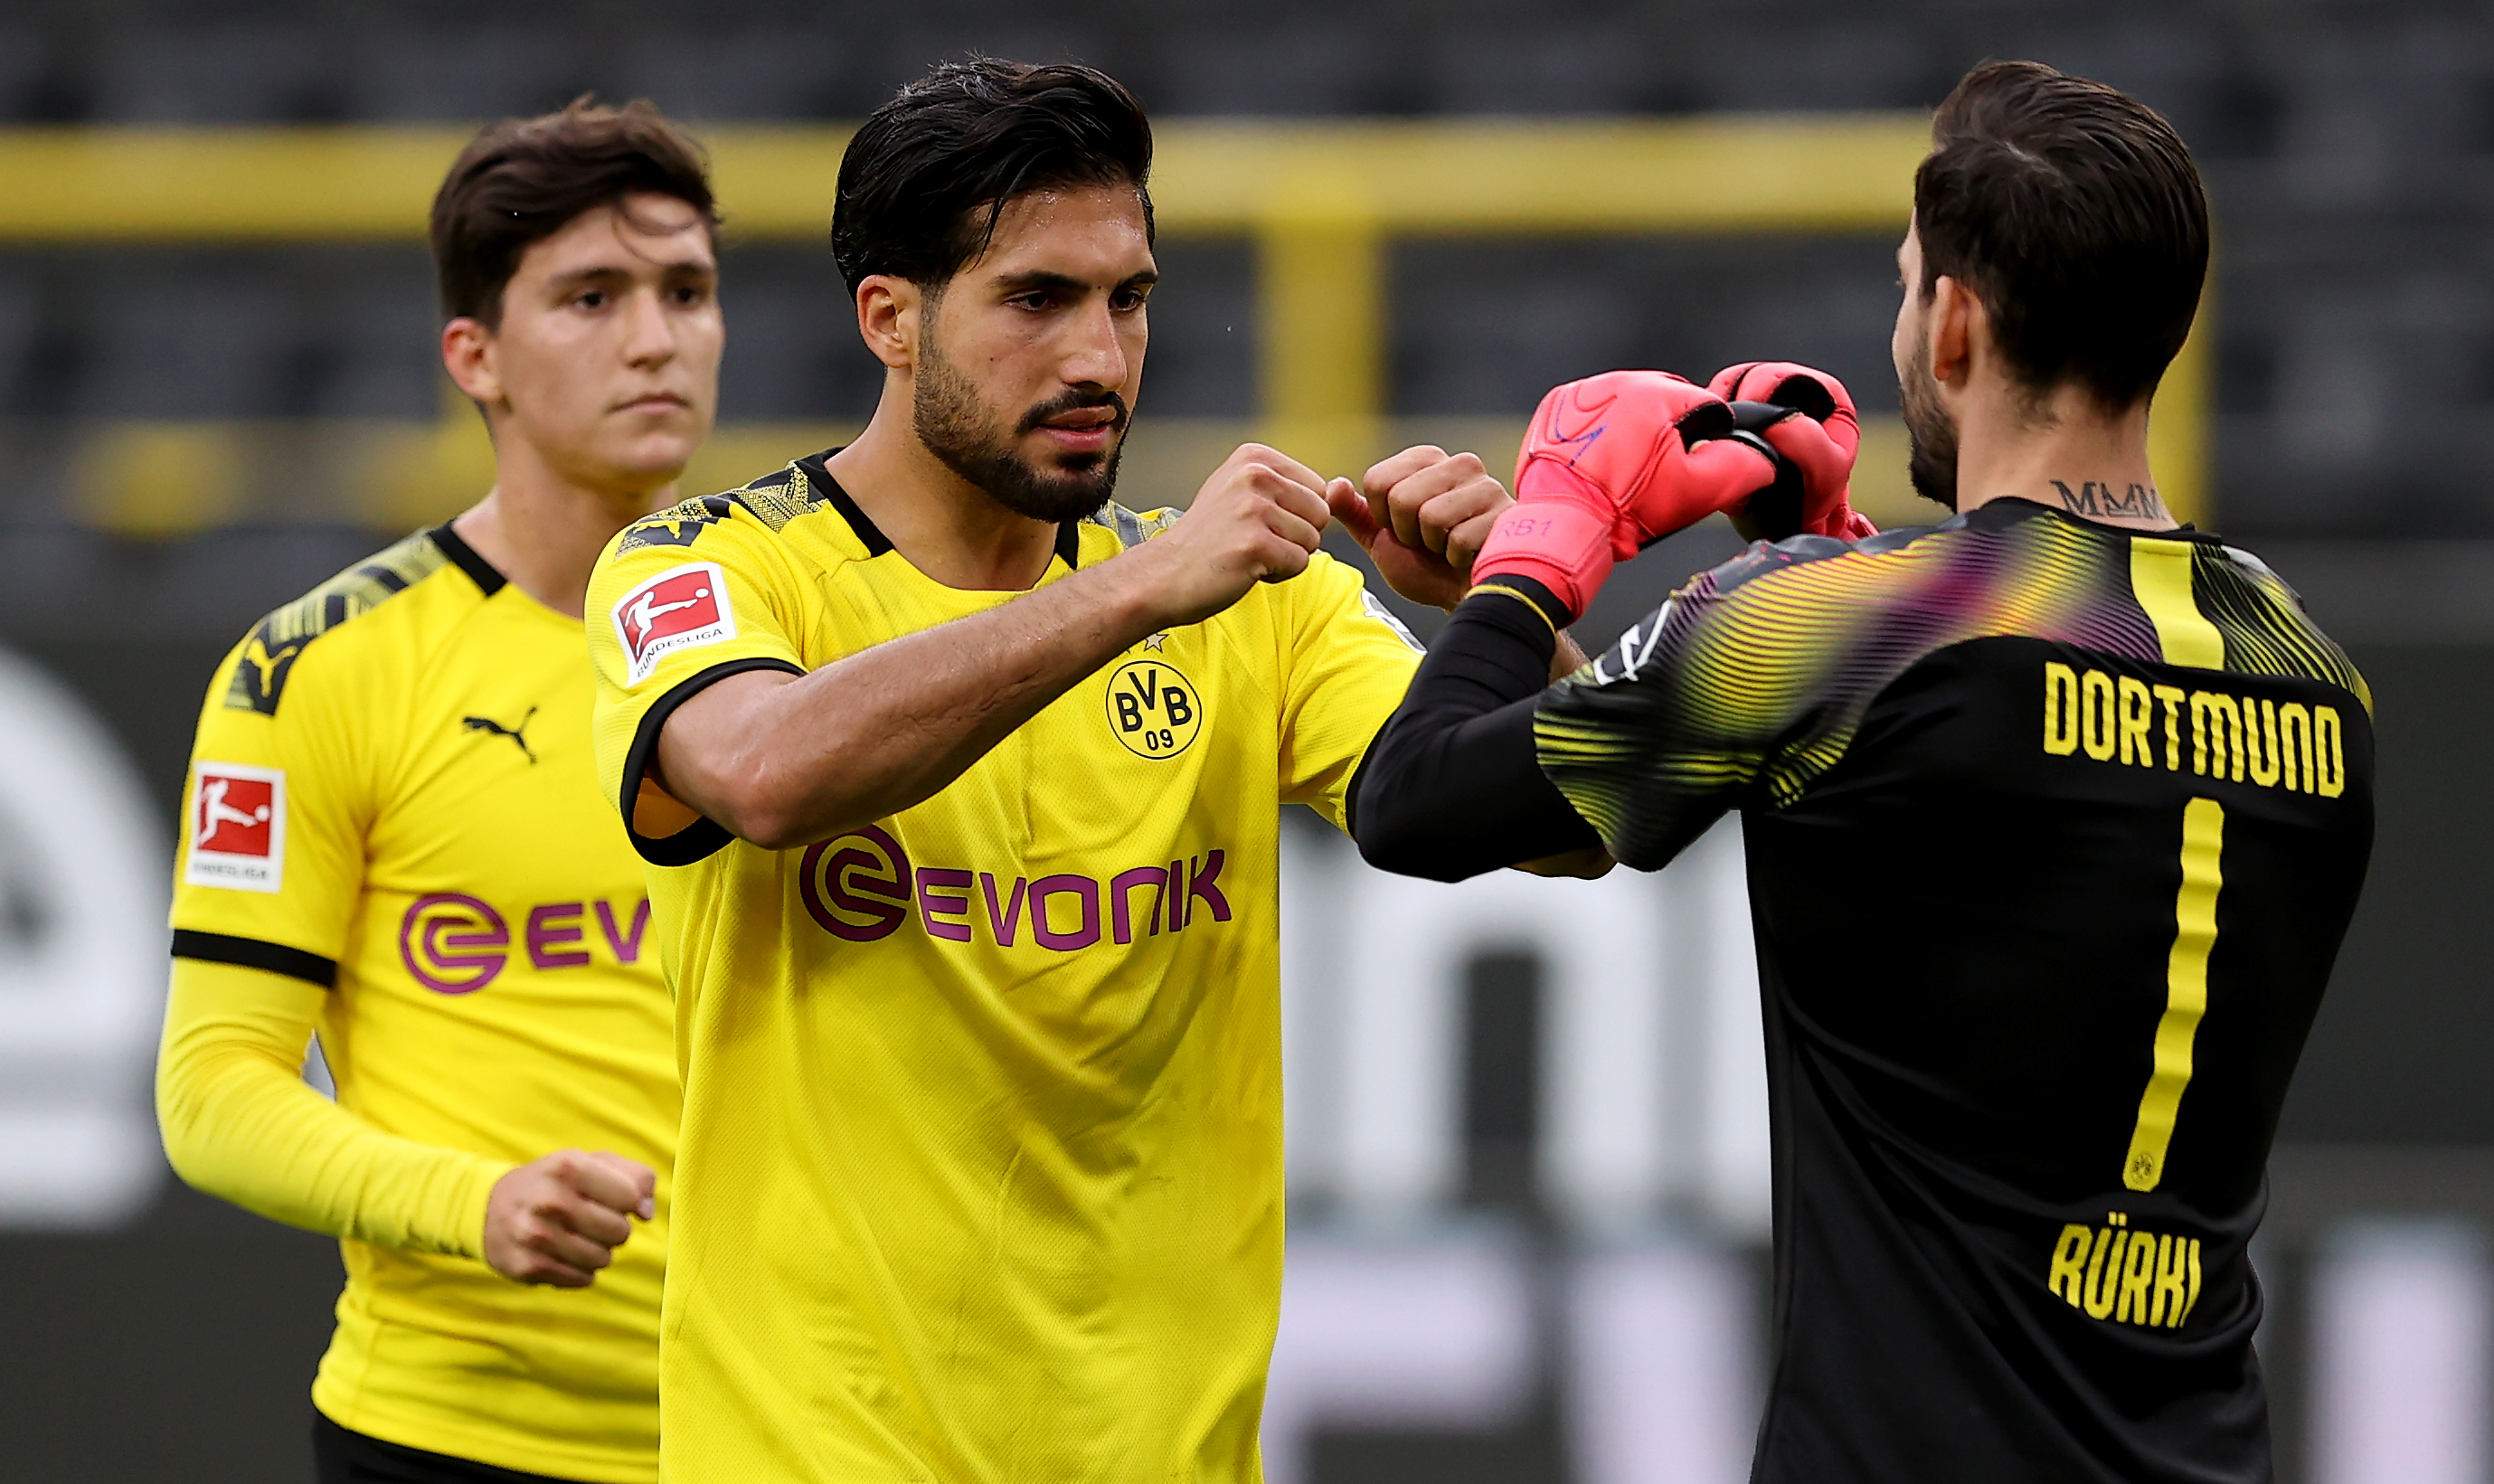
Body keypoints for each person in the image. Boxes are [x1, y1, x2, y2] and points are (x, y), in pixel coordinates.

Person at [1352, 61, 2374, 1482]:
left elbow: (1413, 803)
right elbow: (1968, 820)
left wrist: (1540, 545)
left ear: (1953, 319)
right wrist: (1818, 551)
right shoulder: (2308, 666)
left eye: (1907, 287)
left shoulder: (1839, 634)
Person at [582, 58, 1578, 1481]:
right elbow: (760, 769)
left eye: (1130, 299)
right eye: (1036, 299)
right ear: (891, 320)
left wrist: (1510, 610)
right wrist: (1132, 592)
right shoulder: (705, 566)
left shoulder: (1258, 604)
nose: (1100, 359)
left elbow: (1569, 826)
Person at [157, 99, 722, 1484]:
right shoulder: (316, 671)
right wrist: (474, 1203)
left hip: (781, 1425)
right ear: (474, 356)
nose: (655, 337)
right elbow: (213, 1087)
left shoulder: (819, 636)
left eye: (687, 291)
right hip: (452, 1437)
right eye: (591, 296)